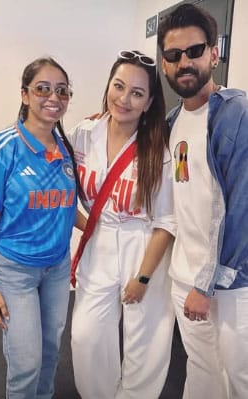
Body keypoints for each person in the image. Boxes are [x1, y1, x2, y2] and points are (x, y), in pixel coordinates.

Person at [67, 50, 176, 399]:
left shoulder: (158, 147)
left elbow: (166, 220)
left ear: (148, 103)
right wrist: (90, 226)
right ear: (108, 86)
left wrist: (143, 276)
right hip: (99, 246)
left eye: (137, 93)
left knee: (145, 339)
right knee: (86, 335)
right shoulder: (84, 133)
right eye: (119, 86)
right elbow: (61, 188)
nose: (124, 99)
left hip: (143, 245)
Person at [157, 3, 248, 399]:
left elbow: (242, 210)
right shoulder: (171, 122)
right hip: (184, 276)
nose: (185, 63)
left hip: (230, 284)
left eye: (194, 51)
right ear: (163, 64)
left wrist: (206, 285)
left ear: (214, 52)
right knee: (203, 369)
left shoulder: (236, 115)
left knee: (240, 374)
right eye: (174, 56)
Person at [0, 57, 84, 399]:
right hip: (15, 271)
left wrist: (102, 233)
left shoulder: (66, 149)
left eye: (62, 90)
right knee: (25, 361)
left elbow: (66, 208)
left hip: (57, 268)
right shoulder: (2, 148)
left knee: (50, 354)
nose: (53, 97)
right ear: (25, 95)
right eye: (43, 88)